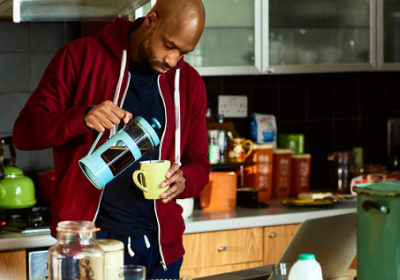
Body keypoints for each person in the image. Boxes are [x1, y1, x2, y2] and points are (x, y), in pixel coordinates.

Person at [12, 0, 209, 278]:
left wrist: (185, 179)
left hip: (161, 253)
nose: (173, 60)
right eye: (169, 45)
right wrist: (81, 117)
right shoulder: (80, 57)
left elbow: (200, 163)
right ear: (151, 19)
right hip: (88, 246)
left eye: (184, 52)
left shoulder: (189, 83)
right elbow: (24, 131)